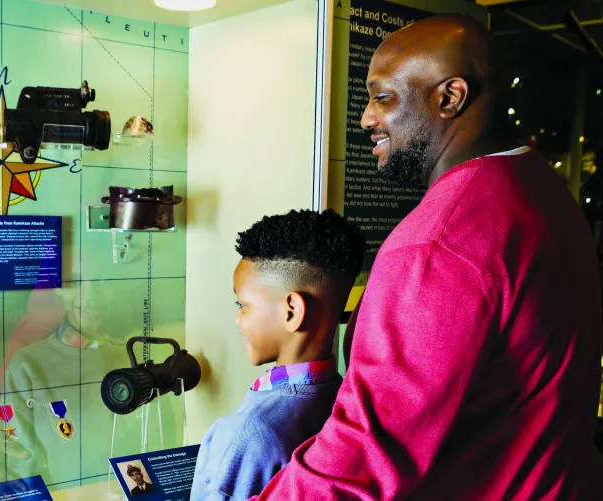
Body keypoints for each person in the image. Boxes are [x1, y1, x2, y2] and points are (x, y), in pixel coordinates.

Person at [249, 14, 603, 501]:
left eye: (383, 97)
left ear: (451, 97)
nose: (367, 118)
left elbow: (364, 453)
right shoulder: (539, 189)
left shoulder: (439, 242)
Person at [191, 209, 367, 500]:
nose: (237, 318)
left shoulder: (248, 436)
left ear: (292, 311)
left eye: (243, 304)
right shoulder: (342, 400)